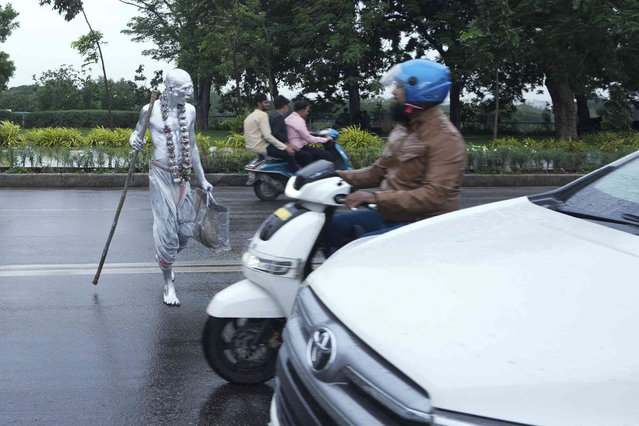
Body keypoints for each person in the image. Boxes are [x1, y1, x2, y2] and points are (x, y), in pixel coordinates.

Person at [327, 59, 467, 254]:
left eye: (399, 86)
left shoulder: (445, 139)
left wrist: (375, 197)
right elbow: (378, 172)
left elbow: (433, 195)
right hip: (391, 216)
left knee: (355, 252)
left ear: (419, 90)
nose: (393, 91)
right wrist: (337, 176)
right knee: (329, 229)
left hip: (420, 226)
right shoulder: (404, 127)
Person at [129, 68, 213, 306]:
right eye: (183, 89)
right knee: (167, 234)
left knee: (185, 233)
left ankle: (165, 258)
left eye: (190, 87)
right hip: (160, 176)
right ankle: (168, 283)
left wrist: (202, 179)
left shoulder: (191, 111)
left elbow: (193, 146)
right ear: (169, 88)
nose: (188, 92)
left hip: (183, 176)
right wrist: (134, 140)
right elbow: (136, 135)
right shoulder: (150, 110)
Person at [244, 93, 297, 171]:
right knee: (290, 154)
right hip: (263, 147)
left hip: (252, 147)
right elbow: (268, 136)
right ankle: (296, 176)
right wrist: (286, 147)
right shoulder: (262, 115)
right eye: (265, 102)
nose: (268, 104)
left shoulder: (249, 117)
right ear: (259, 104)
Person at [285, 99, 334, 168]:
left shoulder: (290, 118)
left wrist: (310, 132)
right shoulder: (298, 120)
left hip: (293, 146)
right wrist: (326, 139)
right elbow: (310, 139)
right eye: (307, 110)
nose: (307, 113)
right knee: (327, 155)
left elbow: (295, 132)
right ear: (302, 111)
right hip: (299, 147)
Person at [268, 95, 299, 172]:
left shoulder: (272, 116)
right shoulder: (279, 118)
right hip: (275, 147)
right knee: (292, 153)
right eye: (287, 105)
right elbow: (277, 134)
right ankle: (295, 173)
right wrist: (287, 145)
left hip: (270, 146)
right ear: (284, 106)